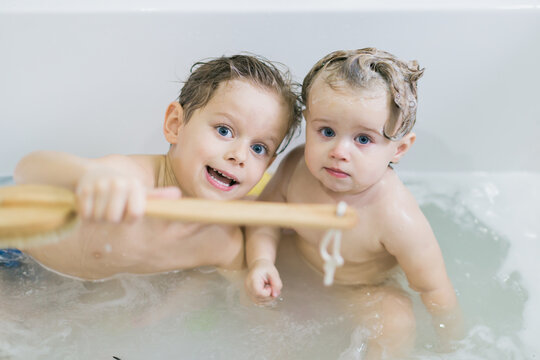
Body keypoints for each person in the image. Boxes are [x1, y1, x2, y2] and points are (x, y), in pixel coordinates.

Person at [245, 48, 463, 358]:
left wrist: (452, 344)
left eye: (363, 139)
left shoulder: (395, 216)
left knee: (396, 318)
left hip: (363, 290)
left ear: (399, 149)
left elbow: (434, 289)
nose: (339, 151)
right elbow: (264, 218)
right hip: (298, 268)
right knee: (238, 261)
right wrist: (261, 262)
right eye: (327, 131)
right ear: (307, 123)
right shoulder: (296, 167)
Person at [13, 54, 301, 280]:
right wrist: (90, 176)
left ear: (268, 165)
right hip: (14, 262)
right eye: (224, 130)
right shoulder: (130, 181)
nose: (240, 156)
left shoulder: (223, 244)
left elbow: (237, 304)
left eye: (259, 148)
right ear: (175, 125)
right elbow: (29, 171)